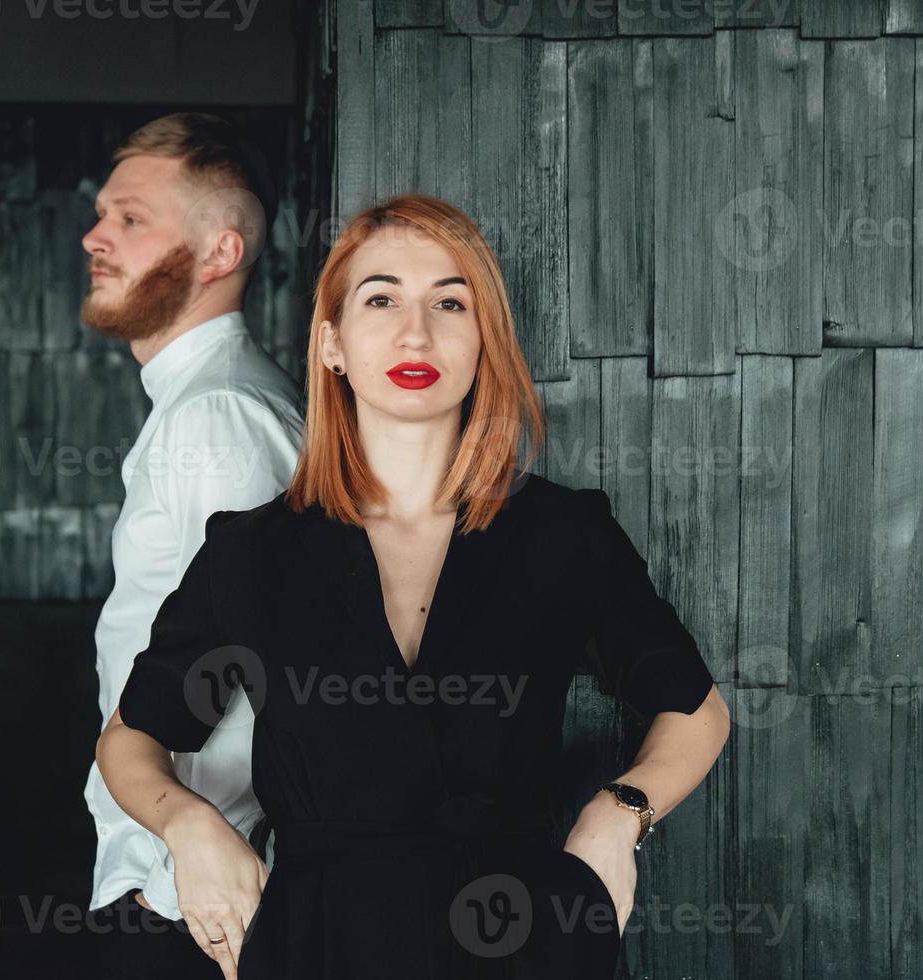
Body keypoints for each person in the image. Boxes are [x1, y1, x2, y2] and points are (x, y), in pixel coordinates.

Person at [96, 194, 731, 980]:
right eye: (382, 298)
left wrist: (618, 814)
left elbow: (694, 707)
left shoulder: (561, 534)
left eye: (450, 303)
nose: (415, 331)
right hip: (317, 944)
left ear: (482, 342)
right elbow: (130, 739)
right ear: (331, 343)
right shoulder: (251, 551)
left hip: (523, 941)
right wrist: (188, 827)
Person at [78, 112, 304, 978]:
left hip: (203, 897)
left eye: (131, 219)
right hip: (175, 874)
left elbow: (267, 668)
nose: (96, 237)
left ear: (220, 253)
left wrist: (186, 856)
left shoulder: (220, 417)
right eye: (104, 213)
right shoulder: (200, 402)